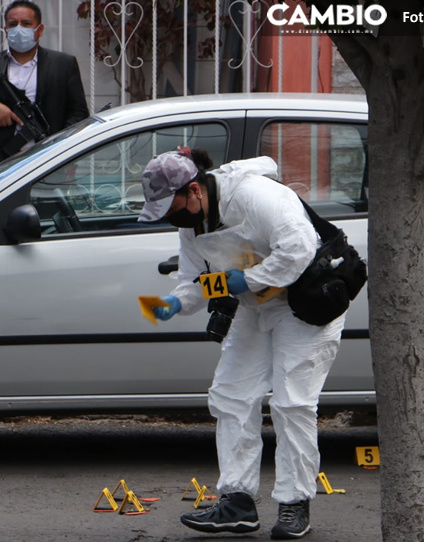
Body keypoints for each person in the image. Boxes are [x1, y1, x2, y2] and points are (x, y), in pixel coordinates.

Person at [139, 149, 345, 540]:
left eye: (173, 207)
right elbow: (195, 280)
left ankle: (294, 504)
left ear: (195, 190)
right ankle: (237, 503)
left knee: (292, 403)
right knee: (231, 395)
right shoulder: (192, 225)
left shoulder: (254, 196)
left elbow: (298, 249)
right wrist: (177, 302)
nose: (171, 217)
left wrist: (246, 280)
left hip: (307, 301)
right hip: (256, 307)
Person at [0, 0, 88, 172]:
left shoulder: (63, 64)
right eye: (13, 24)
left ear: (39, 30)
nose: (19, 29)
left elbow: (78, 113)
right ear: (6, 30)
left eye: (26, 24)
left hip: (50, 161)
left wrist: (62, 146)